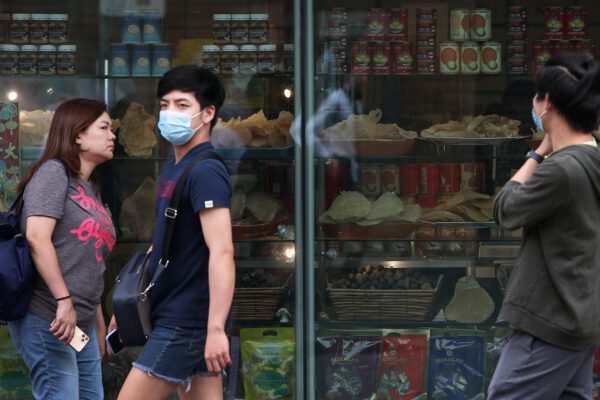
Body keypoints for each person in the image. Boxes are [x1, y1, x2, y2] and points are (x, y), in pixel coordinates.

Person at [110, 65, 235, 400]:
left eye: (182, 105)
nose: (169, 113)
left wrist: (215, 329)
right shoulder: (176, 165)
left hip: (187, 322)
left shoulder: (206, 170)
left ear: (208, 113)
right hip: (177, 314)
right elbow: (161, 245)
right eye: (164, 105)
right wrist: (126, 305)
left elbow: (222, 251)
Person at [488, 52, 600, 399]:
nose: (533, 105)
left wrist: (537, 153)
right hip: (581, 317)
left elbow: (504, 210)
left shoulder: (560, 170)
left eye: (536, 97)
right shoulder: (592, 157)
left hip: (550, 321)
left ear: (547, 102)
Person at [8, 98, 117, 399]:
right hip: (49, 315)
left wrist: (96, 321)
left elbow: (91, 260)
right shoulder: (53, 173)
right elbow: (36, 238)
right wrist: (64, 300)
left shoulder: (89, 187)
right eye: (104, 127)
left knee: (90, 396)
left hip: (78, 322)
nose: (112, 135)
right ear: (78, 134)